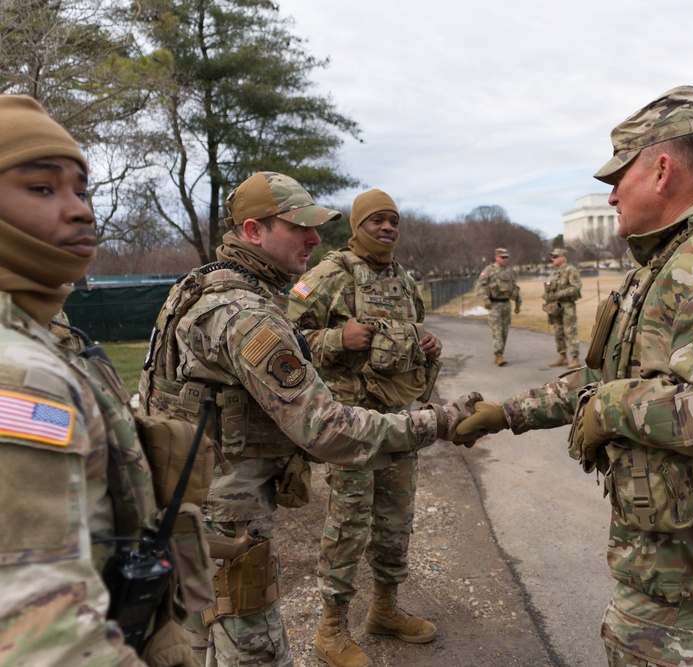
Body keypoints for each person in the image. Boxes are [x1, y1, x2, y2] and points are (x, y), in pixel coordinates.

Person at [456, 85, 693, 666]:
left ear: (662, 170)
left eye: (619, 176)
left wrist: (614, 408)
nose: (613, 193)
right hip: (691, 571)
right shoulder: (672, 264)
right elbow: (606, 376)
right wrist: (507, 414)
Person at [137, 171, 480, 667]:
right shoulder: (247, 311)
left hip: (196, 503)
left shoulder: (206, 286)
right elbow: (327, 428)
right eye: (300, 227)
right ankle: (333, 627)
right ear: (253, 231)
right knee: (255, 650)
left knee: (199, 641)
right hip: (227, 513)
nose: (316, 239)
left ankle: (384, 606)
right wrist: (439, 422)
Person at [0, 95, 200, 665]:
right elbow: (44, 639)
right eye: (42, 188)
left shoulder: (44, 330)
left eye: (81, 191)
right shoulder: (19, 375)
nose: (81, 212)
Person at [286, 189, 442, 667]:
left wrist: (426, 345)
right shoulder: (328, 276)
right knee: (350, 521)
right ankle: (331, 629)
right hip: (349, 427)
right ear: (357, 226)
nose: (388, 228)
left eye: (394, 220)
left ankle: (384, 610)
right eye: (377, 220)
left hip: (398, 422)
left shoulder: (403, 280)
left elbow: (412, 332)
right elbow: (285, 341)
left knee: (396, 517)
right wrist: (337, 338)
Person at [475, 247, 521, 366]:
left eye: (506, 257)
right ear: (496, 257)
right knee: (497, 330)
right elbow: (479, 286)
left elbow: (515, 288)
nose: (505, 259)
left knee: (505, 331)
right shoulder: (489, 270)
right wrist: (485, 299)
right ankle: (498, 354)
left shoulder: (508, 272)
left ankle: (500, 353)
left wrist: (518, 303)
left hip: (506, 304)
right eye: (503, 257)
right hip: (494, 304)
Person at [543, 247, 583, 368]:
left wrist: (559, 294)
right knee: (558, 332)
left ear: (563, 257)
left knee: (570, 331)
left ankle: (575, 358)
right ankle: (562, 356)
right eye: (552, 256)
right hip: (555, 307)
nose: (553, 259)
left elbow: (576, 286)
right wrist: (547, 296)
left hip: (567, 305)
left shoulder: (570, 270)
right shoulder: (554, 272)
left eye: (555, 256)